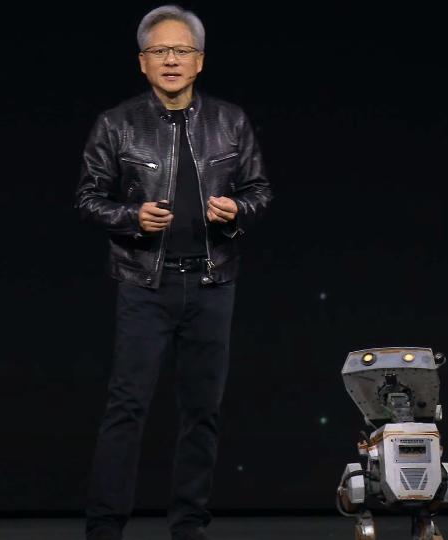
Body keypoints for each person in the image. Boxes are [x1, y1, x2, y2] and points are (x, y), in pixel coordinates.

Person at [74, 5, 273, 540]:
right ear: (142, 62)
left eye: (181, 50)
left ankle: (188, 526)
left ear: (200, 61)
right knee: (127, 409)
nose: (171, 60)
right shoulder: (117, 123)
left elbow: (261, 192)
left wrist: (238, 209)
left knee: (202, 412)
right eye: (159, 51)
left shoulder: (230, 120)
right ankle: (104, 527)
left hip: (213, 283)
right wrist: (131, 218)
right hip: (144, 284)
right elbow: (88, 198)